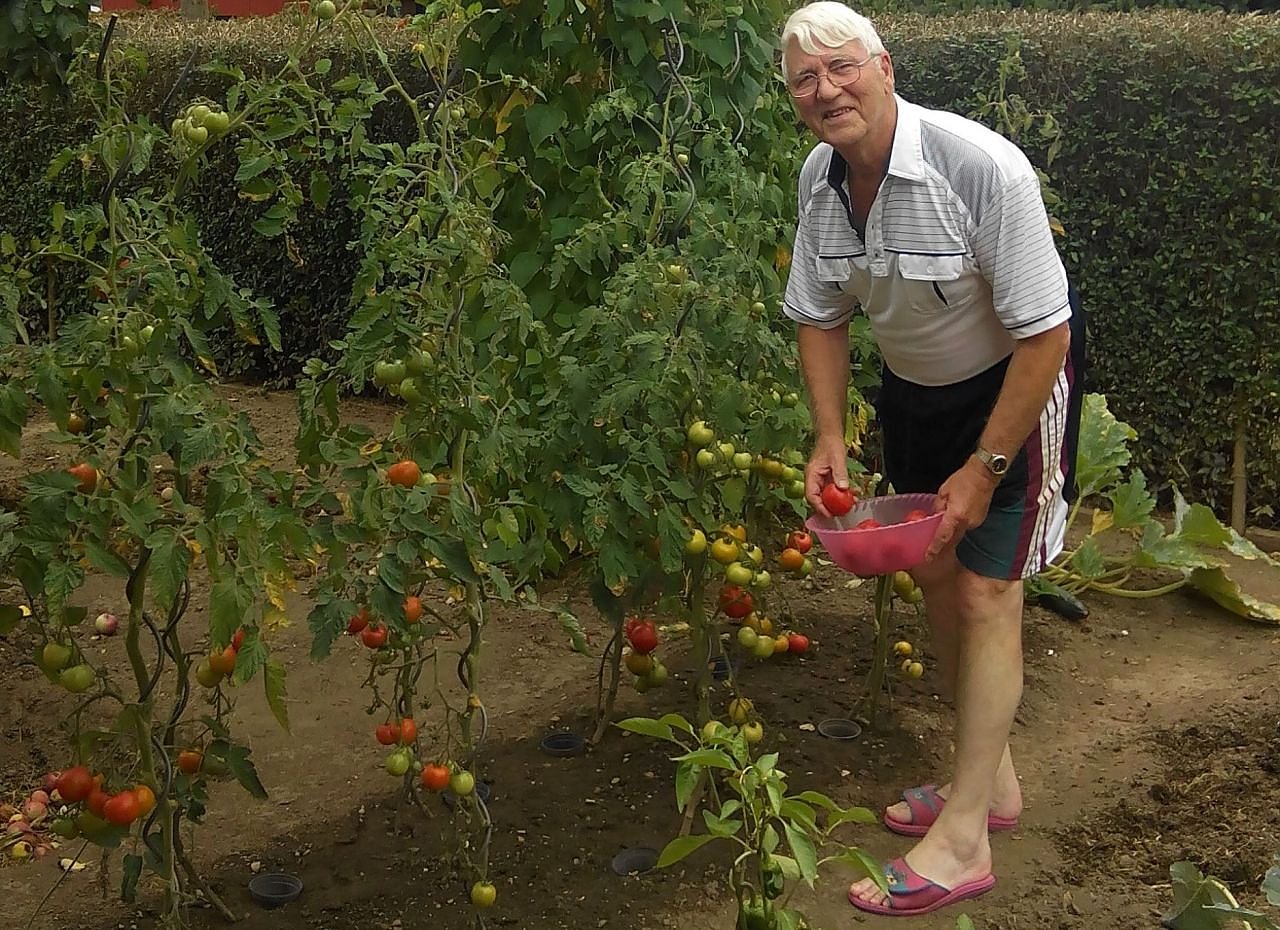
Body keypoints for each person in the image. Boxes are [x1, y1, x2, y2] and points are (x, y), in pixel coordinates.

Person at [778, 0, 1085, 918]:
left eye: (842, 67)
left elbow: (1048, 335)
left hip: (1013, 392)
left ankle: (964, 841)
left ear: (885, 68)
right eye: (805, 78)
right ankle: (991, 785)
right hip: (916, 396)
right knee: (937, 577)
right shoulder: (820, 180)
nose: (826, 89)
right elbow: (820, 314)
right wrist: (829, 434)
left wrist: (986, 467)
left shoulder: (978, 166)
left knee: (986, 592)